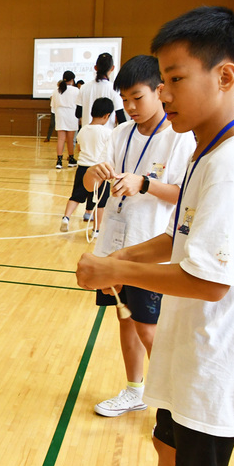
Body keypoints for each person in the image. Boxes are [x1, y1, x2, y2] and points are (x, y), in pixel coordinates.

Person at [77, 6, 234, 466]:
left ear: (226, 76)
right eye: (161, 81)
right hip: (192, 348)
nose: (164, 94)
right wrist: (114, 256)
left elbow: (209, 282)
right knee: (170, 448)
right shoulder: (209, 152)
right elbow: (176, 239)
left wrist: (114, 268)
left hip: (218, 359)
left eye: (174, 79)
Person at [82, 54, 195, 419]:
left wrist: (143, 183)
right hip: (114, 245)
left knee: (149, 329)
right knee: (125, 319)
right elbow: (87, 185)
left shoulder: (178, 138)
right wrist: (95, 174)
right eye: (125, 100)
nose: (130, 107)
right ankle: (135, 390)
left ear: (159, 91)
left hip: (150, 247)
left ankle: (171, 404)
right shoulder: (119, 133)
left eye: (138, 97)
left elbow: (183, 193)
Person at [60, 97, 113, 233]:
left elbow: (79, 148)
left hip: (82, 167)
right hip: (100, 170)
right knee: (100, 202)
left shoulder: (83, 130)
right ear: (107, 115)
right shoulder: (108, 132)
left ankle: (66, 217)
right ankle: (96, 230)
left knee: (76, 196)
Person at [76, 52, 126, 130]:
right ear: (112, 68)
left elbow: (78, 114)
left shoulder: (84, 87)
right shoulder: (115, 89)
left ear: (95, 67)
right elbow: (121, 117)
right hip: (107, 134)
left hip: (86, 134)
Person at [53, 71, 80, 169]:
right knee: (70, 139)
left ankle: (59, 161)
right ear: (72, 80)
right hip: (71, 114)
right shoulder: (76, 90)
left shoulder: (57, 90)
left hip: (60, 115)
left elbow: (53, 105)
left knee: (60, 139)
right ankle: (71, 159)